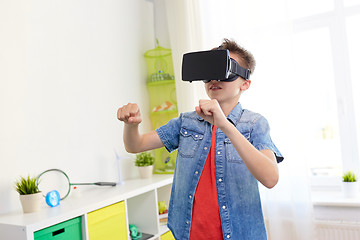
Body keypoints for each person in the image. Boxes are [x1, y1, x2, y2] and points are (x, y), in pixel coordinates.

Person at [117, 38, 283, 240]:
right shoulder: (187, 122)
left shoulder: (255, 124)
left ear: (245, 83)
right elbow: (135, 145)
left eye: (225, 71)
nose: (215, 78)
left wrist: (225, 126)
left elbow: (271, 178)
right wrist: (131, 125)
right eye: (209, 71)